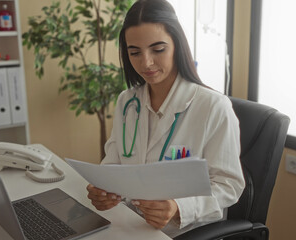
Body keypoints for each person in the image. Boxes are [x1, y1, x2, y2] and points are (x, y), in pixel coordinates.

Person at [86, 0, 245, 237]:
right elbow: (113, 162)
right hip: (130, 223)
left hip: (181, 232)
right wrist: (103, 190)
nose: (146, 62)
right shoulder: (126, 102)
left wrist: (179, 208)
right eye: (135, 52)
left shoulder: (213, 107)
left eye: (158, 49)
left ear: (177, 45)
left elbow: (229, 185)